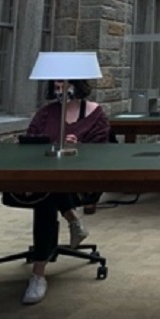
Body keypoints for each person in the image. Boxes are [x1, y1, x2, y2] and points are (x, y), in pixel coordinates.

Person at [20, 79, 109, 305]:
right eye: (56, 86)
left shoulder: (94, 113)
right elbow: (29, 141)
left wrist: (78, 145)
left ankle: (38, 274)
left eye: (64, 85)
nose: (60, 90)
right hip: (43, 177)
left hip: (79, 179)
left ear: (76, 84)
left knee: (46, 194)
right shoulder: (46, 113)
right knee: (47, 190)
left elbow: (102, 149)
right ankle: (72, 220)